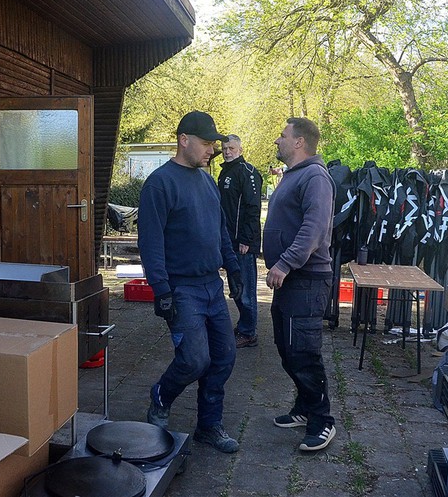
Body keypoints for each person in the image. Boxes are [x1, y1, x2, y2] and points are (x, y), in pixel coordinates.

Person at [138, 110, 244, 454]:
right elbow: (150, 242)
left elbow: (220, 230)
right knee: (194, 360)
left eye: (215, 144)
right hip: (182, 289)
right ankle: (160, 396)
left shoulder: (207, 182)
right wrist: (161, 290)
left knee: (224, 357)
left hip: (212, 285)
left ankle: (209, 426)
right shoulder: (159, 184)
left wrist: (234, 269)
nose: (213, 150)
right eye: (207, 143)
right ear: (184, 140)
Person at [263, 117, 337, 452]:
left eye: (282, 135)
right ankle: (305, 408)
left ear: (299, 142)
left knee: (303, 353)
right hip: (291, 282)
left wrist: (285, 263)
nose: (277, 140)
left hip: (306, 280)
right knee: (287, 349)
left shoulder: (315, 177)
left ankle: (322, 420)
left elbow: (314, 229)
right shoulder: (294, 175)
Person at [218, 135, 263, 348]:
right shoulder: (225, 172)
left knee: (245, 289)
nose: (227, 152)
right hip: (228, 241)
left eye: (231, 148)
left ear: (240, 149)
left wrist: (246, 239)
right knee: (236, 287)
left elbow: (253, 208)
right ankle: (244, 324)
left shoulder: (248, 172)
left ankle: (248, 332)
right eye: (224, 148)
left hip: (243, 243)